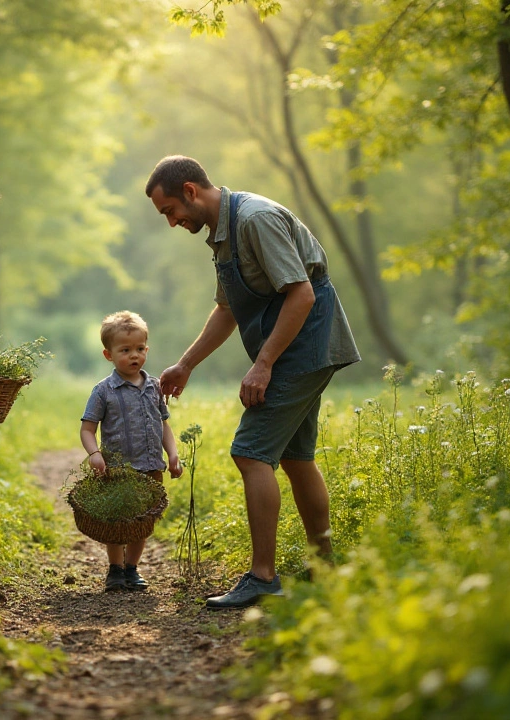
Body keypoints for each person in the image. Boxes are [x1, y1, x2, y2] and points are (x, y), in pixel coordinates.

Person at [146, 155, 360, 609]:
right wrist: (186, 364)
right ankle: (325, 566)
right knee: (296, 457)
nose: (171, 223)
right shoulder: (222, 235)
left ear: (189, 190)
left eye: (170, 211)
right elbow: (226, 310)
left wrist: (263, 364)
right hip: (294, 346)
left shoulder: (255, 219)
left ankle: (263, 577)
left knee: (250, 451)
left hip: (307, 342)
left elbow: (300, 293)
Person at [80, 311, 183, 592]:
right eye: (125, 350)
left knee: (142, 522)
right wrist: (94, 454)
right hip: (119, 469)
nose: (134, 355)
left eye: (139, 349)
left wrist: (172, 454)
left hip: (150, 467)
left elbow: (164, 425)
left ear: (146, 349)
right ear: (108, 355)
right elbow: (87, 429)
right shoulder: (103, 391)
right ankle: (115, 568)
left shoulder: (154, 388)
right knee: (116, 521)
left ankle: (132, 568)